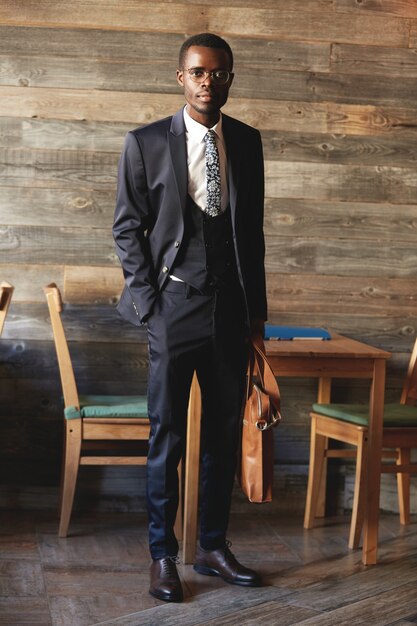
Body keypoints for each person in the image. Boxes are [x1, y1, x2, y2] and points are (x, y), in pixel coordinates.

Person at [113, 32, 267, 603]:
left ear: (230, 78)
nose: (209, 81)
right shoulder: (147, 142)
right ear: (182, 78)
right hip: (173, 308)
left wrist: (257, 317)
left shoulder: (248, 143)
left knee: (224, 435)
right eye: (199, 72)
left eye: (219, 73)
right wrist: (150, 306)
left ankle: (211, 544)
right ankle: (162, 556)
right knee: (167, 436)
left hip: (231, 310)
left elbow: (251, 236)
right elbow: (127, 227)